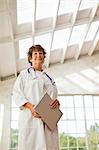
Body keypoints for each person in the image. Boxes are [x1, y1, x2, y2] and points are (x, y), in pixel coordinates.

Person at [12, 44, 60, 150]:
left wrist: (57, 103)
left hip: (48, 120)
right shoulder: (24, 75)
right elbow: (17, 94)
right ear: (30, 58)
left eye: (41, 53)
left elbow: (53, 96)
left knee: (49, 146)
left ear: (44, 57)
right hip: (31, 118)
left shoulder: (49, 78)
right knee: (31, 145)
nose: (38, 55)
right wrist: (31, 107)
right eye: (35, 53)